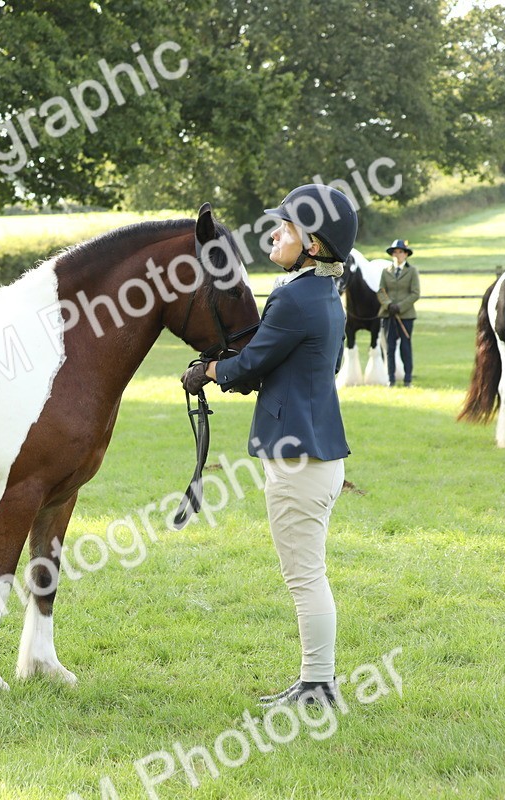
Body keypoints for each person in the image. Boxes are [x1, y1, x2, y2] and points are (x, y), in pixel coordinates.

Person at [181, 184, 354, 706]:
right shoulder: (323, 296)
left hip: (297, 460)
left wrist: (207, 371)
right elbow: (291, 365)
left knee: (304, 577)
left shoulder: (292, 297)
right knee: (307, 573)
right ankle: (315, 681)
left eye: (286, 228)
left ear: (315, 246)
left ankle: (318, 685)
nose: (274, 234)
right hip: (316, 455)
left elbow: (250, 365)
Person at [378, 239, 420, 387]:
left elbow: (415, 293)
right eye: (395, 252)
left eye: (400, 252)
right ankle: (391, 379)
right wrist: (388, 305)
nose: (397, 255)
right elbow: (381, 291)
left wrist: (400, 306)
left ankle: (408, 379)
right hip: (388, 314)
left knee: (405, 347)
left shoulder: (412, 271)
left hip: (406, 315)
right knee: (389, 348)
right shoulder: (385, 271)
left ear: (406, 254)